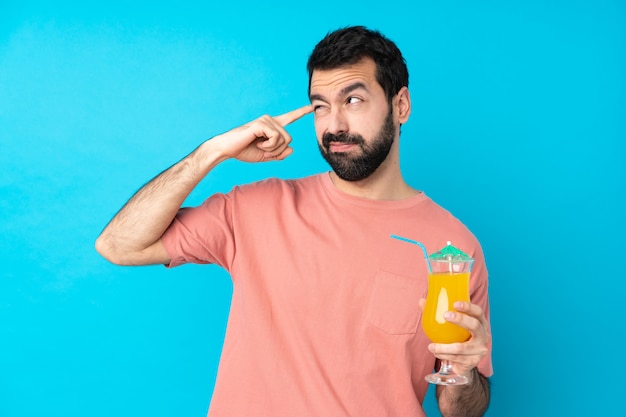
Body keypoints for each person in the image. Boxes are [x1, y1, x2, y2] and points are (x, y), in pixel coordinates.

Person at [96, 25, 493, 417]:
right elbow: (118, 245)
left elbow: (460, 411)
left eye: (353, 100)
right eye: (321, 105)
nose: (334, 124)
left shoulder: (452, 246)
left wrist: (466, 369)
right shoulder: (253, 209)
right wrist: (210, 154)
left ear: (400, 106)